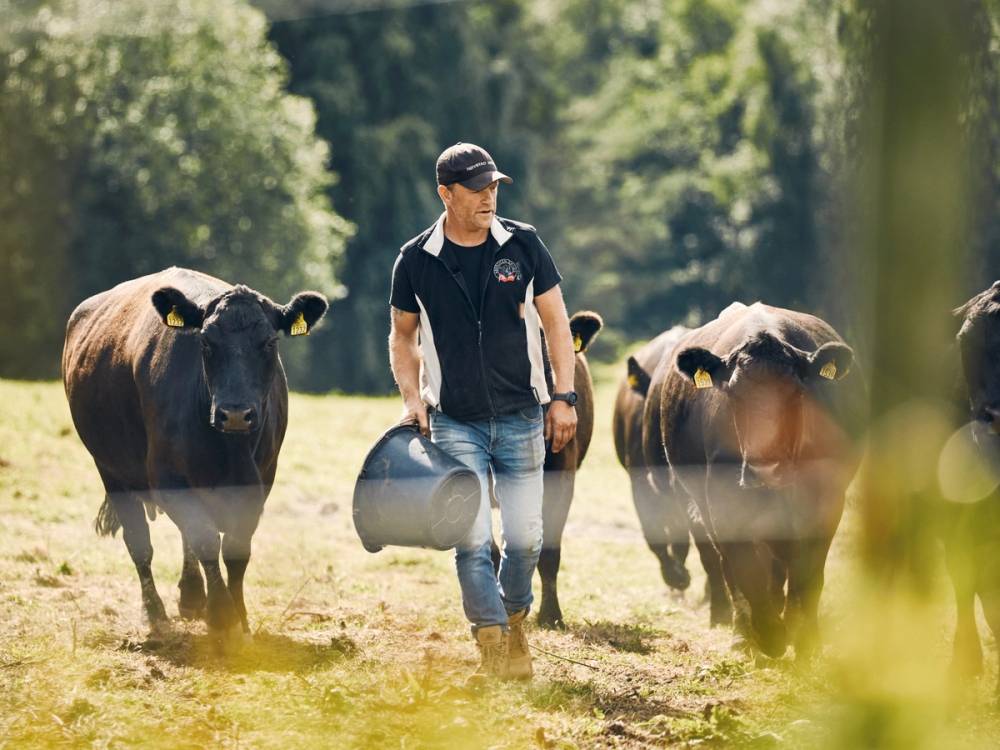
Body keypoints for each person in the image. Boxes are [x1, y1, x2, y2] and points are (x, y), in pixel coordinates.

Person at [388, 143, 578, 682]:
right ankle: (493, 646)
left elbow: (557, 323)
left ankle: (514, 618)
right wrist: (411, 401)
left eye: (493, 186)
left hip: (522, 415)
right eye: (476, 189)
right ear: (446, 194)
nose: (488, 197)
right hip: (454, 420)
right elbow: (403, 338)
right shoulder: (416, 260)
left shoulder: (523, 245)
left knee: (525, 540)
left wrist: (563, 397)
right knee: (470, 539)